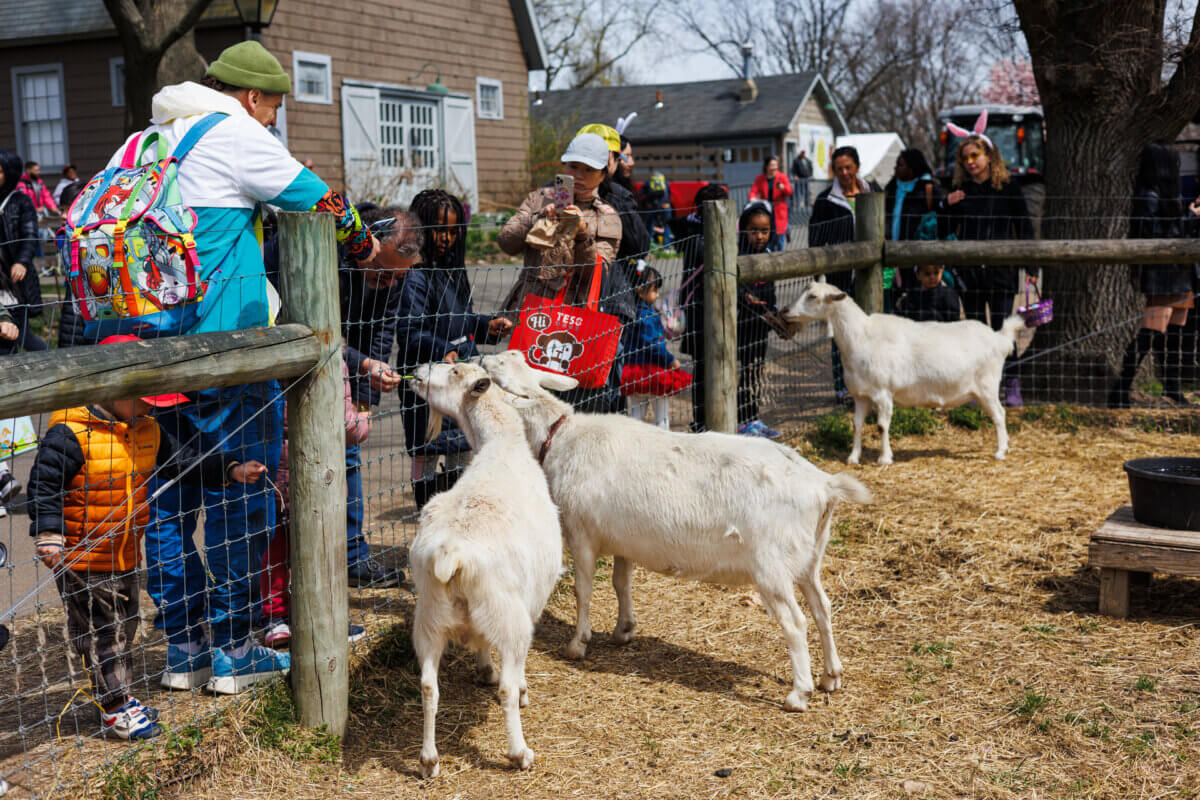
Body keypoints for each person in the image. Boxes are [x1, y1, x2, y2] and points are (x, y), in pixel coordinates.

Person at [119, 40, 377, 694]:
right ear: (253, 95)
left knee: (173, 507)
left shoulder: (153, 138)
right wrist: (367, 244)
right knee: (244, 491)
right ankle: (236, 648)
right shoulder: (234, 132)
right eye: (274, 109)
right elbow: (322, 203)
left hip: (149, 342)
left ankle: (186, 649)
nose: (273, 123)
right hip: (226, 349)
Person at [26, 362, 266, 736]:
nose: (153, 408)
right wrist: (49, 533)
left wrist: (230, 470)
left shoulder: (147, 430)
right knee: (102, 634)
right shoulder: (69, 435)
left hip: (124, 556)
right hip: (81, 559)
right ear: (111, 389)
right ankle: (116, 708)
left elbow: (186, 461)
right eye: (145, 400)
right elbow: (44, 486)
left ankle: (119, 698)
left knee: (125, 629)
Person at [263, 204, 420, 585]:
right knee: (285, 474)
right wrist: (363, 364)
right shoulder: (324, 253)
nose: (387, 286)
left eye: (396, 280)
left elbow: (380, 330)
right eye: (382, 275)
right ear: (368, 242)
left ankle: (351, 558)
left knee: (348, 459)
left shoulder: (388, 275)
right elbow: (314, 329)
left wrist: (365, 399)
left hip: (348, 372)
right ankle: (288, 578)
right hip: (294, 369)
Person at [399, 189, 512, 507]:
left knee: (461, 448)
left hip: (459, 379)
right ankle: (427, 514)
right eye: (438, 230)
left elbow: (461, 321)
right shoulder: (417, 277)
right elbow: (411, 332)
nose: (446, 238)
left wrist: (485, 326)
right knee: (425, 451)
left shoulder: (455, 273)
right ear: (420, 229)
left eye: (452, 231)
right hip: (427, 385)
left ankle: (457, 512)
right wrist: (442, 350)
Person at [499, 132, 623, 412]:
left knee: (567, 407)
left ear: (603, 174)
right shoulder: (538, 199)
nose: (578, 175)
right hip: (530, 315)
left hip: (575, 322)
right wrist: (536, 219)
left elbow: (596, 274)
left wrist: (582, 235)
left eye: (588, 170)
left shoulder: (608, 217)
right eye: (572, 167)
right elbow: (506, 242)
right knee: (521, 401)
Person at [942, 128, 1033, 406]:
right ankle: (976, 388)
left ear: (989, 156)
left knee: (1002, 330)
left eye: (975, 155)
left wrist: (1030, 265)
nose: (971, 162)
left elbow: (1024, 227)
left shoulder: (1009, 188)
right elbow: (947, 230)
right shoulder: (961, 193)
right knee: (974, 331)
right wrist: (947, 206)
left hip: (1002, 271)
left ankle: (1011, 383)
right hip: (970, 274)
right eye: (965, 157)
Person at [1109, 142, 1200, 408]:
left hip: (1180, 271)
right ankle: (1121, 388)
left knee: (1177, 331)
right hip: (1163, 273)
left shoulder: (1168, 192)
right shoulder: (1150, 194)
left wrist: (1189, 214)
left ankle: (1172, 387)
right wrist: (1190, 217)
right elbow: (1155, 231)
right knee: (1152, 330)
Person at [810, 145, 882, 402]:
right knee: (841, 332)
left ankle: (873, 380)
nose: (843, 173)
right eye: (838, 169)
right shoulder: (825, 201)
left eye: (848, 167)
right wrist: (820, 277)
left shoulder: (873, 192)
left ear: (857, 167)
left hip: (871, 275)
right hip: (840, 276)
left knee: (872, 327)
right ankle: (843, 385)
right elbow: (815, 239)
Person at [677, 182, 729, 431]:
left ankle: (719, 417)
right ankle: (701, 420)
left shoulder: (715, 229)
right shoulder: (694, 231)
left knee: (721, 360)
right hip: (699, 306)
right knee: (702, 366)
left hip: (717, 303)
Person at [620, 264, 692, 428]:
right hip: (654, 372)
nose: (658, 294)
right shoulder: (649, 316)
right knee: (661, 415)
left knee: (637, 412)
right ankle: (663, 442)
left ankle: (630, 440)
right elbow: (653, 345)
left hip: (634, 371)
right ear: (640, 290)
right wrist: (670, 360)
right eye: (655, 290)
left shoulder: (629, 312)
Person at [736, 201, 783, 438]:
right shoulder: (737, 254)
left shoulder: (767, 255)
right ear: (744, 229)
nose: (760, 236)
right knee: (742, 372)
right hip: (741, 325)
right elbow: (732, 288)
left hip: (761, 326)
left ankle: (752, 419)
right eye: (754, 230)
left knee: (755, 372)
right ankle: (740, 420)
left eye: (764, 231)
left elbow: (771, 290)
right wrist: (744, 297)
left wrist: (773, 312)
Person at [0, 149, 46, 353]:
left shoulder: (20, 201)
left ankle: (49, 359)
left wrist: (21, 261)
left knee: (21, 333)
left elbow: (29, 236)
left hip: (13, 278)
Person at [884, 148, 943, 304]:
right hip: (890, 255)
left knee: (916, 299)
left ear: (912, 167)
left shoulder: (928, 190)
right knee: (892, 296)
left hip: (917, 256)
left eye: (900, 165)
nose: (896, 169)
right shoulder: (891, 188)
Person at [749, 155, 793, 250]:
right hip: (766, 210)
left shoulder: (782, 177)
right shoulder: (760, 178)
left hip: (779, 210)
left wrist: (783, 188)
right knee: (768, 237)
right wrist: (752, 198)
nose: (774, 168)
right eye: (772, 165)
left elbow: (789, 191)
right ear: (766, 166)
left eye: (775, 165)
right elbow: (753, 191)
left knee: (780, 239)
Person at [894, 265, 961, 323]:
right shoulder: (911, 297)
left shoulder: (949, 294)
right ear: (918, 275)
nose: (932, 277)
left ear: (942, 271)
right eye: (927, 274)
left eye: (936, 273)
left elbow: (954, 322)